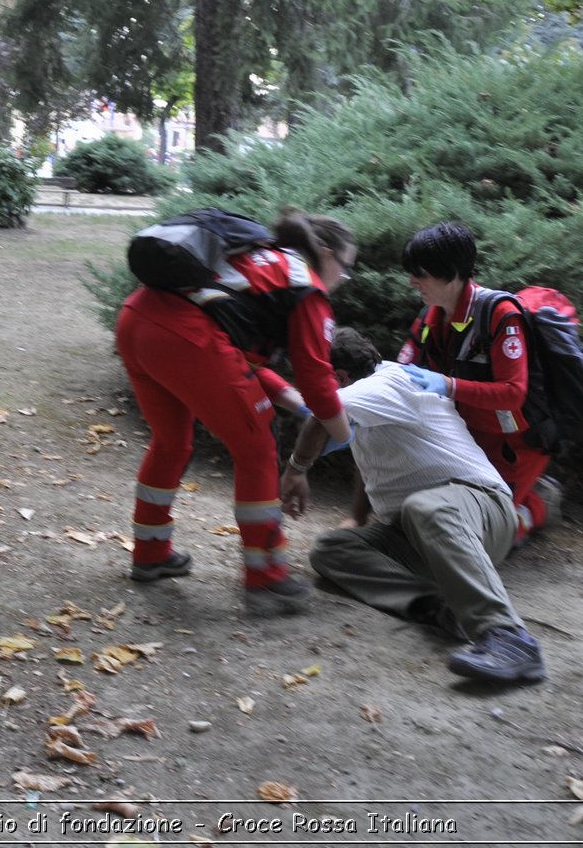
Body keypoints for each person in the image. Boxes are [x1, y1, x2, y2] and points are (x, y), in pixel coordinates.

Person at [115, 207, 357, 616]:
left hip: (137, 321)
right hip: (185, 338)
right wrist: (345, 434)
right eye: (347, 268)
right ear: (328, 254)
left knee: (172, 442)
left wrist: (293, 401)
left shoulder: (261, 257)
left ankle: (150, 551)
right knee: (258, 448)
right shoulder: (307, 286)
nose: (344, 279)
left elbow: (244, 362)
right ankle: (266, 577)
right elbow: (319, 382)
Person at [285, 328, 546, 684]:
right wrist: (359, 517)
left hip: (481, 509)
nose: (310, 387)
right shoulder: (369, 400)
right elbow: (371, 460)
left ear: (340, 376)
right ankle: (438, 606)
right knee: (331, 549)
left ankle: (510, 639)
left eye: (316, 379)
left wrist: (296, 469)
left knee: (426, 507)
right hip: (423, 532)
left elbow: (319, 414)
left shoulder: (388, 384)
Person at [395, 222, 558, 545]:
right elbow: (402, 369)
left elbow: (513, 394)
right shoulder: (431, 315)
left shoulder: (500, 315)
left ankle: (538, 503)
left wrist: (448, 385)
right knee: (431, 528)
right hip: (468, 440)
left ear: (452, 273)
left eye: (421, 274)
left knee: (484, 538)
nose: (412, 282)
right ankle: (519, 499)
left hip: (515, 447)